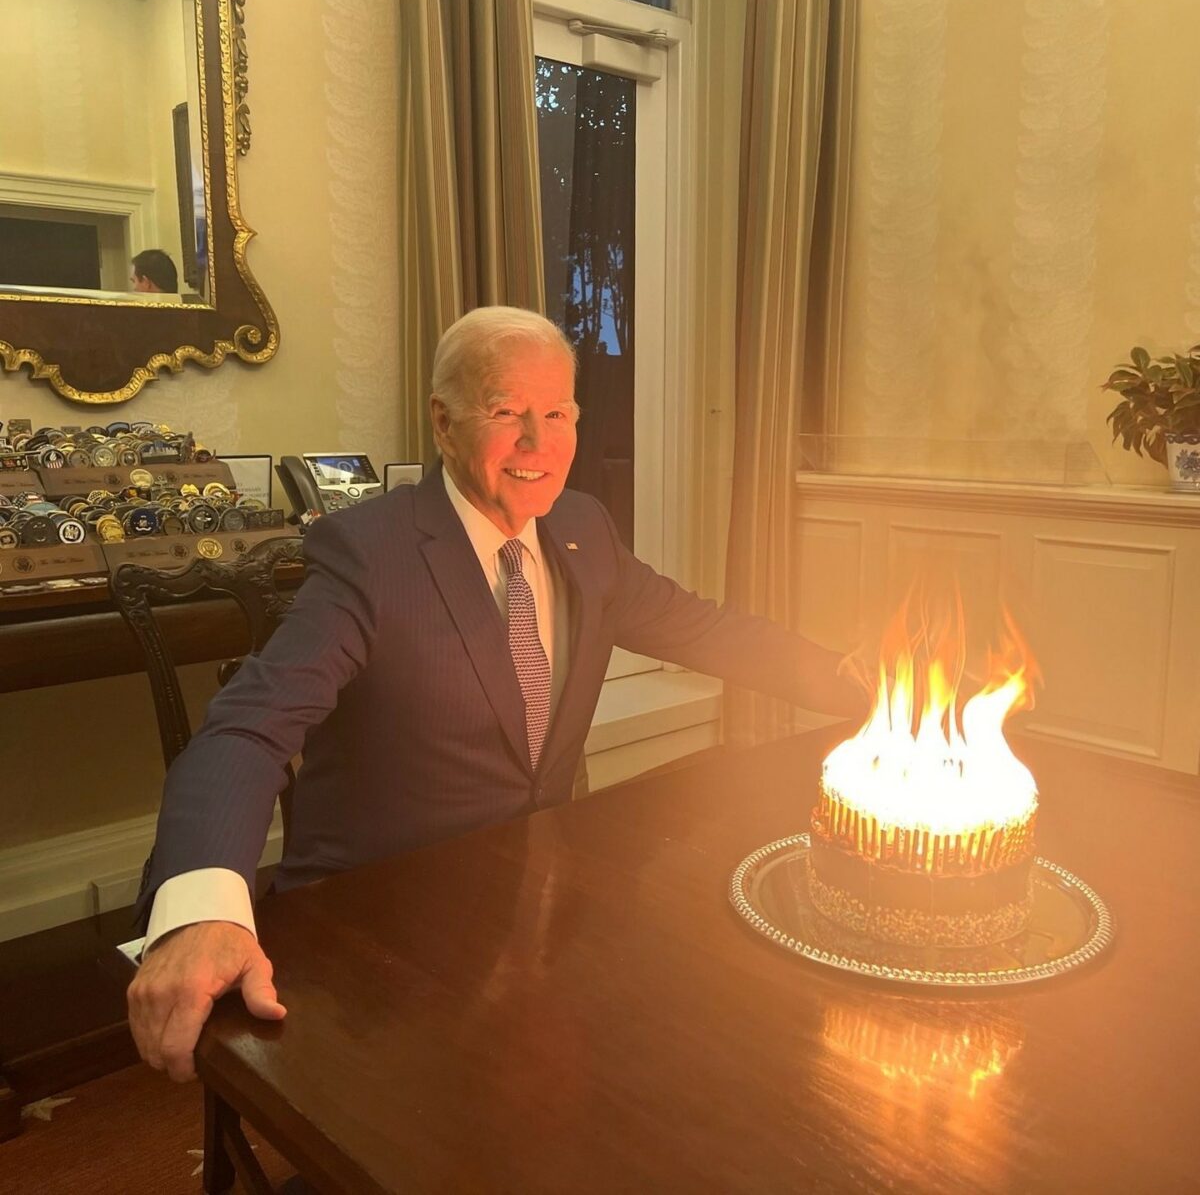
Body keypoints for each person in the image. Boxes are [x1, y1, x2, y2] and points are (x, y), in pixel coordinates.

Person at [127, 306, 864, 1082]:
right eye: (507, 411)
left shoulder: (582, 528)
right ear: (444, 423)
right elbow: (248, 727)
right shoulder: (372, 553)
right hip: (377, 932)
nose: (536, 443)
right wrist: (202, 907)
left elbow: (705, 628)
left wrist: (854, 681)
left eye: (557, 414)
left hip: (543, 908)